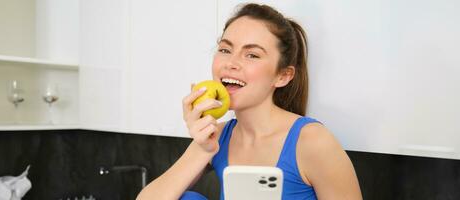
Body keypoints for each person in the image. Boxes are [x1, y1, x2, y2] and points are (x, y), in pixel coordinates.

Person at [137, 3, 362, 200]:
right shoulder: (219, 137)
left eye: (252, 55)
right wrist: (203, 149)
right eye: (225, 49)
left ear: (282, 76)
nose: (231, 63)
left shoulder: (313, 142)